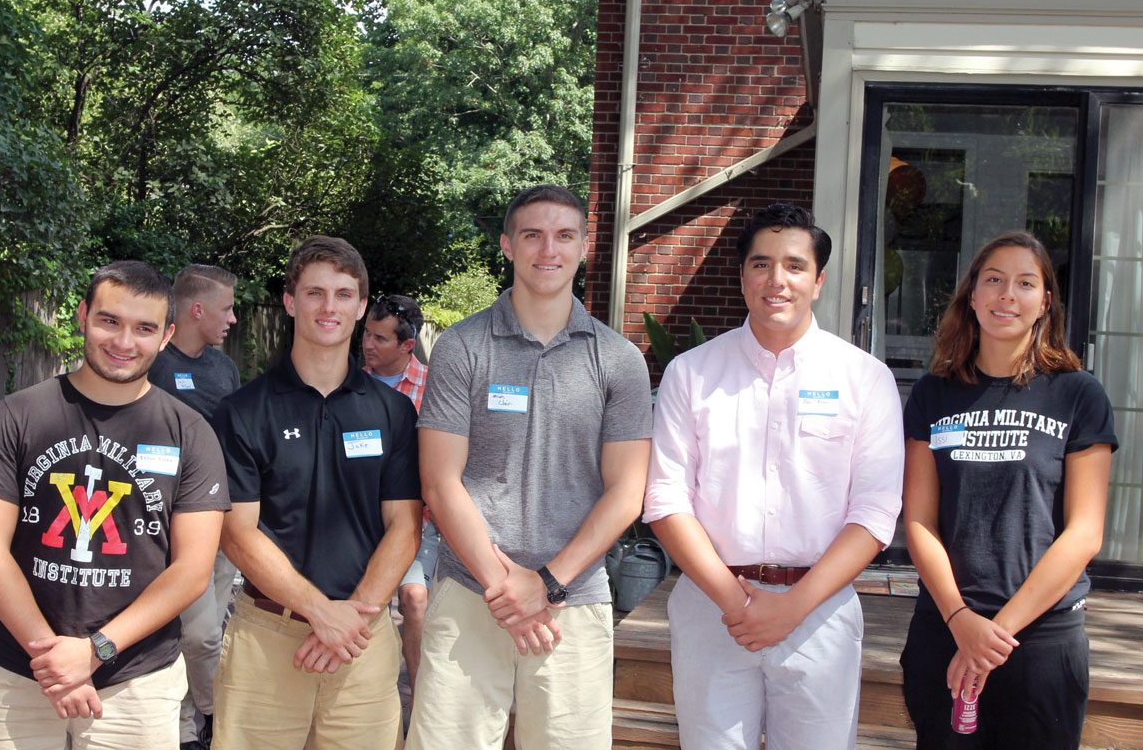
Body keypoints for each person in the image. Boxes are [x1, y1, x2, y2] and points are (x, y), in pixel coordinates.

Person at [644, 202, 905, 750]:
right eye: (761, 264)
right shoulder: (691, 374)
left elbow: (875, 512)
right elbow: (666, 499)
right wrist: (738, 605)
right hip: (713, 608)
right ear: (742, 277)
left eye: (794, 265)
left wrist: (793, 605)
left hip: (820, 610)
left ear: (818, 280)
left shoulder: (865, 379)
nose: (776, 280)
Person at [405, 184, 653, 750]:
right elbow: (439, 483)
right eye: (533, 235)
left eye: (565, 235)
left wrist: (546, 583)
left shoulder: (619, 359)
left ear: (585, 246)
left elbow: (627, 491)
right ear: (507, 246)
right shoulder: (463, 347)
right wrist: (506, 587)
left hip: (574, 599)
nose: (549, 249)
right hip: (471, 591)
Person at [0, 260, 229, 750]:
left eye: (144, 328)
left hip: (136, 683)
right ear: (82, 315)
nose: (125, 342)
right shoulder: (19, 415)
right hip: (16, 673)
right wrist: (55, 659)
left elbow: (192, 570)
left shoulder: (191, 433)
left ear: (166, 336)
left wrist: (95, 651)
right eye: (110, 320)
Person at [900, 231, 1116, 749]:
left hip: (1040, 640)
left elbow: (1085, 533)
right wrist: (960, 620)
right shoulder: (934, 393)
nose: (1006, 295)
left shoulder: (1078, 394)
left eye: (1025, 283)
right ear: (971, 295)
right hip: (946, 629)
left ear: (1044, 302)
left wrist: (992, 637)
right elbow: (919, 522)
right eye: (993, 280)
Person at [210, 236, 421, 750]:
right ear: (289, 301)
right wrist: (321, 612)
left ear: (362, 306)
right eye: (315, 293)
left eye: (344, 294)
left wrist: (350, 619)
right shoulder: (243, 411)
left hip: (363, 640)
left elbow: (406, 524)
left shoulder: (392, 413)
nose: (330, 307)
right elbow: (236, 533)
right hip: (268, 637)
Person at [147, 263, 241, 750]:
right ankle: (214, 712)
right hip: (165, 521)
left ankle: (190, 731)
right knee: (197, 634)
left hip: (222, 515)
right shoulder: (153, 362)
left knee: (203, 631)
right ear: (197, 309)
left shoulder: (225, 368)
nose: (233, 319)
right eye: (226, 308)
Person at [361, 294, 436, 691]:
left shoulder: (434, 389)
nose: (368, 345)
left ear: (407, 345)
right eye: (367, 334)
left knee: (415, 597)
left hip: (414, 523)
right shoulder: (350, 385)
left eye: (380, 338)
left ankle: (420, 699)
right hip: (358, 518)